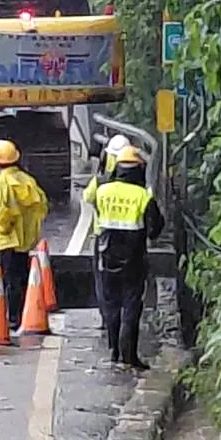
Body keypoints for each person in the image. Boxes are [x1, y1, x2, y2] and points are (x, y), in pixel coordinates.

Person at [94, 145, 164, 369]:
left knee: (111, 305)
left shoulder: (103, 191)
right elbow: (155, 228)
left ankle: (114, 350)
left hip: (107, 256)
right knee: (131, 307)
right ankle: (129, 356)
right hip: (133, 259)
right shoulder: (143, 196)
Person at [0, 138, 48, 329]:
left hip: (7, 240)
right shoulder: (28, 181)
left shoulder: (1, 184)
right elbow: (41, 206)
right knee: (21, 279)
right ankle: (22, 314)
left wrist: (5, 230)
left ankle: (12, 319)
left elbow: (0, 213)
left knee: (9, 280)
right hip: (24, 241)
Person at [82, 134, 131, 330]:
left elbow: (88, 197)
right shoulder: (138, 184)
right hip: (131, 238)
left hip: (104, 238)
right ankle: (125, 320)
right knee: (128, 284)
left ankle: (108, 320)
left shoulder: (101, 183)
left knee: (104, 282)